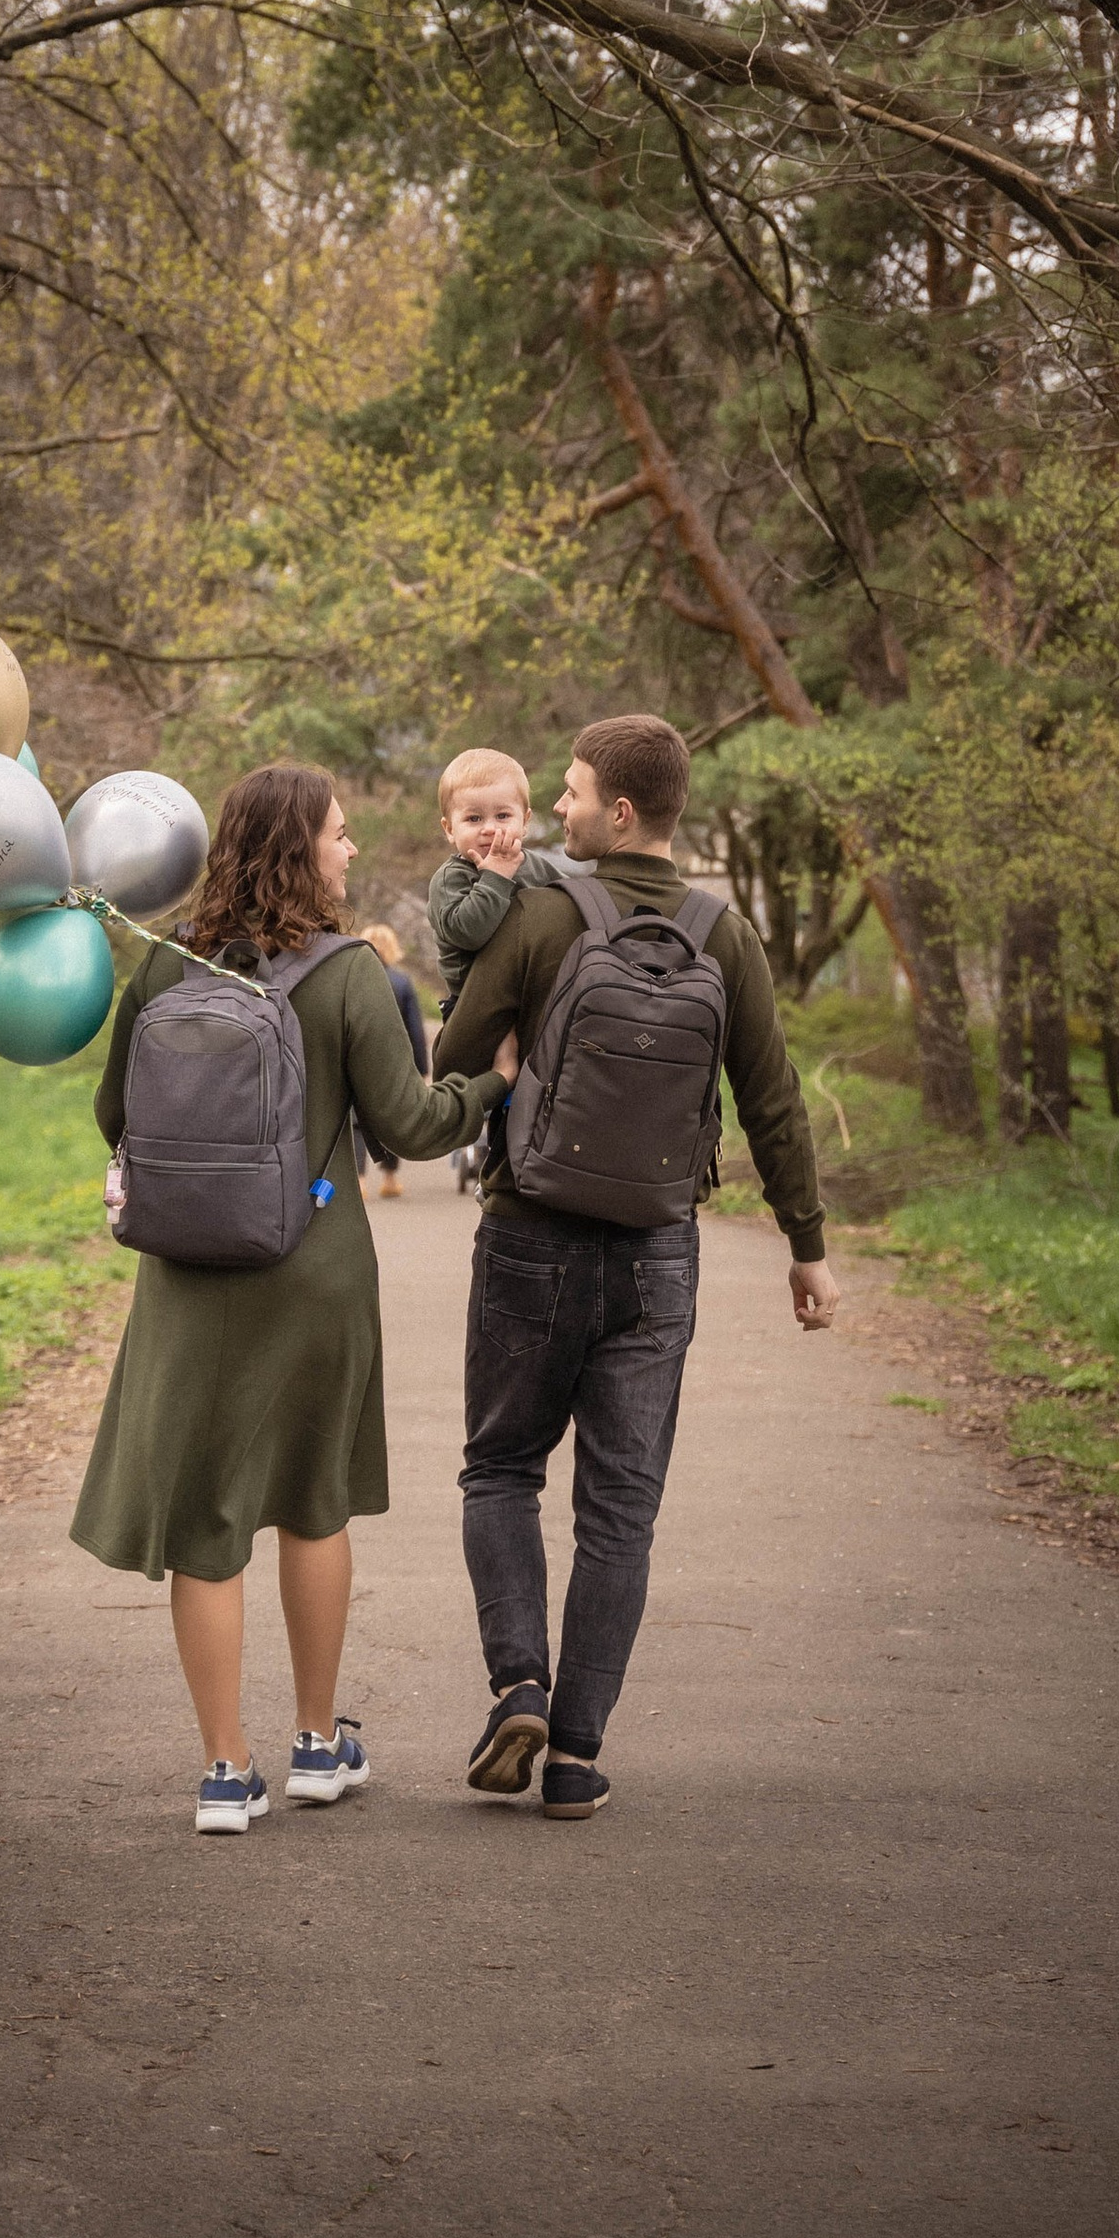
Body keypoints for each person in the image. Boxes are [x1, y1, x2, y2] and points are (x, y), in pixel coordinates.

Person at [72, 763, 516, 1836]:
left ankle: (225, 1771)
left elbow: (111, 1113)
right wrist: (491, 1080)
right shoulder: (349, 973)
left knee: (206, 1522)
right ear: (300, 849)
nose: (352, 848)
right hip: (312, 1269)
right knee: (313, 1504)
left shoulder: (168, 967)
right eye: (340, 833)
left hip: (187, 1280)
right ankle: (317, 1745)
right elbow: (410, 1125)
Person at [431, 711, 839, 1824]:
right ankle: (574, 1754)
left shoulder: (543, 915)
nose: (553, 811)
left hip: (531, 1234)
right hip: (660, 1252)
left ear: (617, 812)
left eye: (566, 794)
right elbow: (772, 1101)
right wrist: (805, 1249)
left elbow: (452, 1058)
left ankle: (517, 1681)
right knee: (621, 1510)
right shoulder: (727, 933)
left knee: (501, 1469)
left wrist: (490, 1068)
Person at [426, 744, 577, 1011]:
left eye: (503, 816)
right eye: (473, 818)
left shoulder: (535, 866)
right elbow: (469, 933)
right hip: (473, 1003)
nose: (490, 828)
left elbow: (575, 897)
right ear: (449, 829)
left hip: (529, 997)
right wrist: (495, 875)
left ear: (525, 821)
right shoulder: (451, 879)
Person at [357, 920, 429, 1198]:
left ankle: (360, 1180)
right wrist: (421, 1068)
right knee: (389, 1118)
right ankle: (388, 1178)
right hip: (393, 1063)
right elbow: (415, 1029)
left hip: (359, 1056)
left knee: (356, 1122)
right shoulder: (401, 982)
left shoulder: (355, 979)